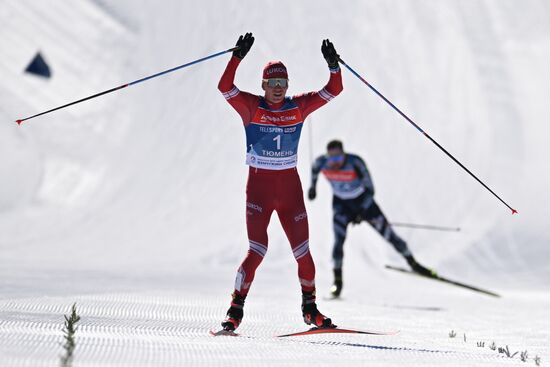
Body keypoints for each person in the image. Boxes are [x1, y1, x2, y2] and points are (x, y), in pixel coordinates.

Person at [217, 33, 343, 331]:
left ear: (287, 85)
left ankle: (310, 309)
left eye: (281, 83)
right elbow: (224, 87)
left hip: (290, 193)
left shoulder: (297, 107)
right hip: (259, 191)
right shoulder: (251, 107)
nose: (277, 89)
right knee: (256, 251)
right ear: (263, 85)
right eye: (272, 83)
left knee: (303, 253)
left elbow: (334, 89)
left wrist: (333, 66)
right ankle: (235, 311)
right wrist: (236, 57)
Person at [308, 140, 435, 298]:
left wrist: (361, 212)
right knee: (338, 242)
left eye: (338, 159)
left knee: (389, 235)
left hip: (363, 202)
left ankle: (413, 263)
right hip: (341, 205)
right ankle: (338, 282)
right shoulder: (322, 162)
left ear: (344, 155)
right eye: (332, 159)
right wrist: (313, 187)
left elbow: (370, 189)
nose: (335, 163)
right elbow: (314, 169)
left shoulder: (355, 162)